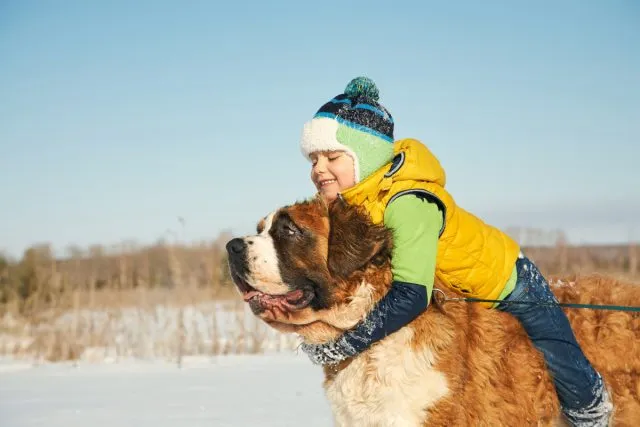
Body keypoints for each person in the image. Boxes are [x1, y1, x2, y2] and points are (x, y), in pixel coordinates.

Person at [297, 76, 613, 426]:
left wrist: (349, 342)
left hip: (510, 279)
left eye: (332, 156)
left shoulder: (406, 204)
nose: (318, 168)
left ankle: (594, 414)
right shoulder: (361, 206)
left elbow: (412, 294)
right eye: (313, 159)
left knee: (560, 353)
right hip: (464, 290)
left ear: (367, 155)